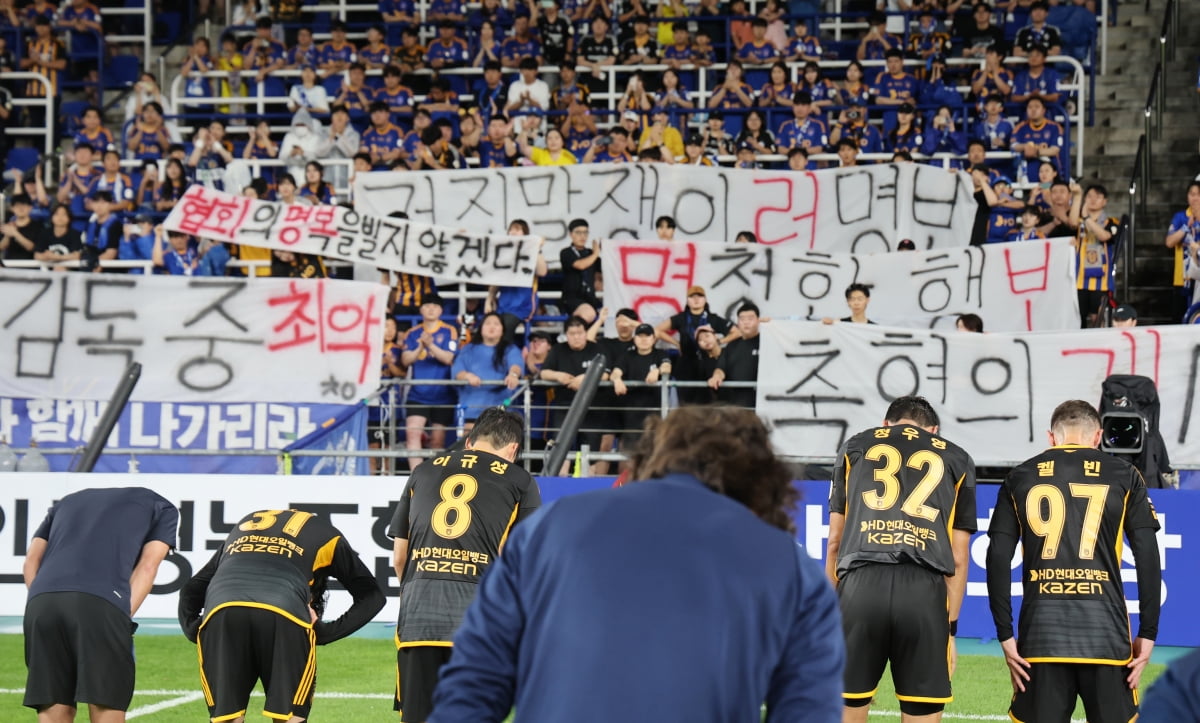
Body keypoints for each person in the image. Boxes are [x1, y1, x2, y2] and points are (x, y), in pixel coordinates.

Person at [428, 405, 845, 722]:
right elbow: (808, 711)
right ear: (762, 482)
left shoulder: (552, 526)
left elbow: (472, 687)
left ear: (648, 459)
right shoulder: (790, 567)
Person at [986, 399, 1162, 723]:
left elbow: (997, 556)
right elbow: (1148, 555)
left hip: (1040, 637)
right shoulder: (1125, 475)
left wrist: (1005, 636)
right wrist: (1148, 633)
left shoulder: (1019, 477)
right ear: (1097, 437)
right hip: (1107, 638)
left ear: (1051, 438)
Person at [827, 395, 977, 723]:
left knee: (845, 707)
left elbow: (835, 543)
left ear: (885, 425)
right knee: (921, 709)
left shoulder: (856, 445)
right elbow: (959, 557)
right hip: (924, 593)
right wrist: (950, 630)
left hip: (859, 587)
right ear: (934, 430)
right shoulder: (957, 457)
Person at [388, 407, 541, 723]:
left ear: (470, 441)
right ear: (513, 448)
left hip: (418, 613)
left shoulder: (424, 471)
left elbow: (399, 557)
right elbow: (525, 564)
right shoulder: (520, 481)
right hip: (478, 619)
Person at [178, 507, 384, 723]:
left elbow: (191, 590)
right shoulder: (329, 535)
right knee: (289, 716)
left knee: (227, 718)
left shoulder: (244, 526)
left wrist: (194, 629)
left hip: (223, 609)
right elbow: (372, 596)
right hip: (284, 611)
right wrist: (324, 633)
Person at [23, 487, 178, 722]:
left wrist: (38, 598)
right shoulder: (161, 506)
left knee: (53, 708)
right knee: (107, 705)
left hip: (41, 603)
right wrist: (122, 617)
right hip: (100, 602)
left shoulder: (65, 502)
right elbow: (148, 566)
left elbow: (31, 560)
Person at [539, 315, 608, 473]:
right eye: (572, 334)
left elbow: (606, 374)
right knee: (560, 450)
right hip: (564, 407)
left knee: (591, 454)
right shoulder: (558, 349)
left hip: (592, 408)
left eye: (580, 333)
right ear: (566, 335)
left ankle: (589, 488)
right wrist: (558, 376)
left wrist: (586, 378)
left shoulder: (597, 349)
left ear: (586, 333)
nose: (576, 337)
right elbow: (544, 373)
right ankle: (558, 485)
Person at [402, 294, 458, 471]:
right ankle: (415, 477)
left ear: (441, 310)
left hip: (443, 395)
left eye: (435, 305)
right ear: (421, 309)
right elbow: (405, 360)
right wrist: (420, 346)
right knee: (412, 433)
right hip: (418, 394)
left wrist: (431, 345)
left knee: (438, 441)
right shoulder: (412, 333)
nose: (431, 308)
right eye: (427, 305)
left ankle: (435, 479)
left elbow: (450, 358)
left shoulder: (450, 330)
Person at [452, 312, 525, 430]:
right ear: (481, 328)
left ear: (503, 330)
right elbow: (457, 371)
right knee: (469, 446)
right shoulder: (468, 349)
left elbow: (516, 366)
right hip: (471, 409)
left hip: (500, 409)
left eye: (496, 324)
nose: (492, 327)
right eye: (488, 323)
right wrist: (467, 376)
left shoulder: (511, 349)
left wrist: (513, 375)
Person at [609, 323, 671, 445]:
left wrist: (657, 371)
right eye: (640, 336)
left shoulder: (660, 354)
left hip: (654, 411)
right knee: (628, 452)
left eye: (647, 336)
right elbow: (615, 372)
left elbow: (667, 367)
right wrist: (616, 380)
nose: (644, 340)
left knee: (653, 450)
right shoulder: (627, 356)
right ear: (634, 339)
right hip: (631, 412)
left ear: (653, 339)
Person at [1072, 184, 1120, 327]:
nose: (1093, 200)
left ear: (1105, 201)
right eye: (1089, 196)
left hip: (1101, 280)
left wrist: (1087, 218)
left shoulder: (1111, 222)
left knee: (1097, 319)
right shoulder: (1079, 222)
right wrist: (1077, 197)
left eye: (1098, 197)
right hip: (1079, 279)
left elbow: (1104, 236)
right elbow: (1071, 222)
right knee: (1077, 319)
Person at [707, 302, 761, 409]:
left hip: (758, 402)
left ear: (758, 320)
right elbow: (721, 367)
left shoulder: (766, 343)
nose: (746, 323)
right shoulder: (732, 345)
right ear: (737, 322)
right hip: (734, 404)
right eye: (742, 319)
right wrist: (717, 376)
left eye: (750, 319)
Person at [559, 218, 601, 316]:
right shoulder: (566, 252)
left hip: (590, 298)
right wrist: (596, 254)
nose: (583, 236)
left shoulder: (590, 253)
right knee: (587, 314)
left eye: (585, 233)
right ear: (570, 234)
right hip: (572, 298)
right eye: (578, 232)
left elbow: (604, 270)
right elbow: (580, 265)